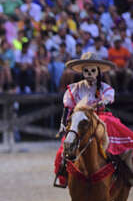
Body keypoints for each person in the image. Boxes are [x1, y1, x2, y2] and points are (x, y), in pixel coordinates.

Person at [54, 52, 133, 187]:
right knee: (64, 146)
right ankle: (63, 173)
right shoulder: (75, 88)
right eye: (86, 71)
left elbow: (108, 98)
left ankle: (127, 170)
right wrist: (63, 124)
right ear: (83, 72)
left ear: (97, 72)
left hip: (101, 117)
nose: (89, 73)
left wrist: (102, 102)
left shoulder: (104, 88)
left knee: (123, 138)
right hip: (80, 119)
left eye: (92, 70)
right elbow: (67, 108)